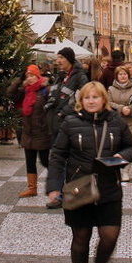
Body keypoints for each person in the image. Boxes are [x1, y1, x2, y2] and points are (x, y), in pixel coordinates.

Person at [46, 81, 132, 263]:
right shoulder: (70, 123)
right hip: (79, 186)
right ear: (81, 101)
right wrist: (53, 187)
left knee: (110, 236)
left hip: (108, 186)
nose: (91, 101)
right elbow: (58, 156)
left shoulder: (116, 121)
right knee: (81, 237)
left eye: (95, 97)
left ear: (103, 99)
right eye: (87, 98)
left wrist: (122, 157)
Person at [44, 48, 88, 208]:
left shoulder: (80, 77)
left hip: (69, 124)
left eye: (61, 57)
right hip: (56, 125)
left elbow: (83, 99)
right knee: (57, 159)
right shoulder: (61, 76)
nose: (58, 60)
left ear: (69, 59)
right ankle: (60, 193)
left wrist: (64, 112)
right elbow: (55, 97)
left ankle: (67, 195)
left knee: (70, 161)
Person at [10, 65, 50, 198]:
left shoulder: (45, 90)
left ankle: (59, 184)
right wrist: (20, 79)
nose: (30, 78)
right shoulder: (25, 91)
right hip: (28, 132)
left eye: (32, 75)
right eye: (28, 76)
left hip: (42, 132)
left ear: (38, 76)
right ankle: (32, 188)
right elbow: (10, 94)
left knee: (46, 161)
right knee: (30, 162)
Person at [107, 66, 132, 180]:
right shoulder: (111, 89)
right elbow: (108, 103)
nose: (123, 76)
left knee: (131, 146)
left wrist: (131, 109)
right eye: (120, 74)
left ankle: (126, 171)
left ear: (128, 75)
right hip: (116, 122)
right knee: (116, 145)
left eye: (125, 74)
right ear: (116, 76)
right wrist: (121, 108)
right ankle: (117, 169)